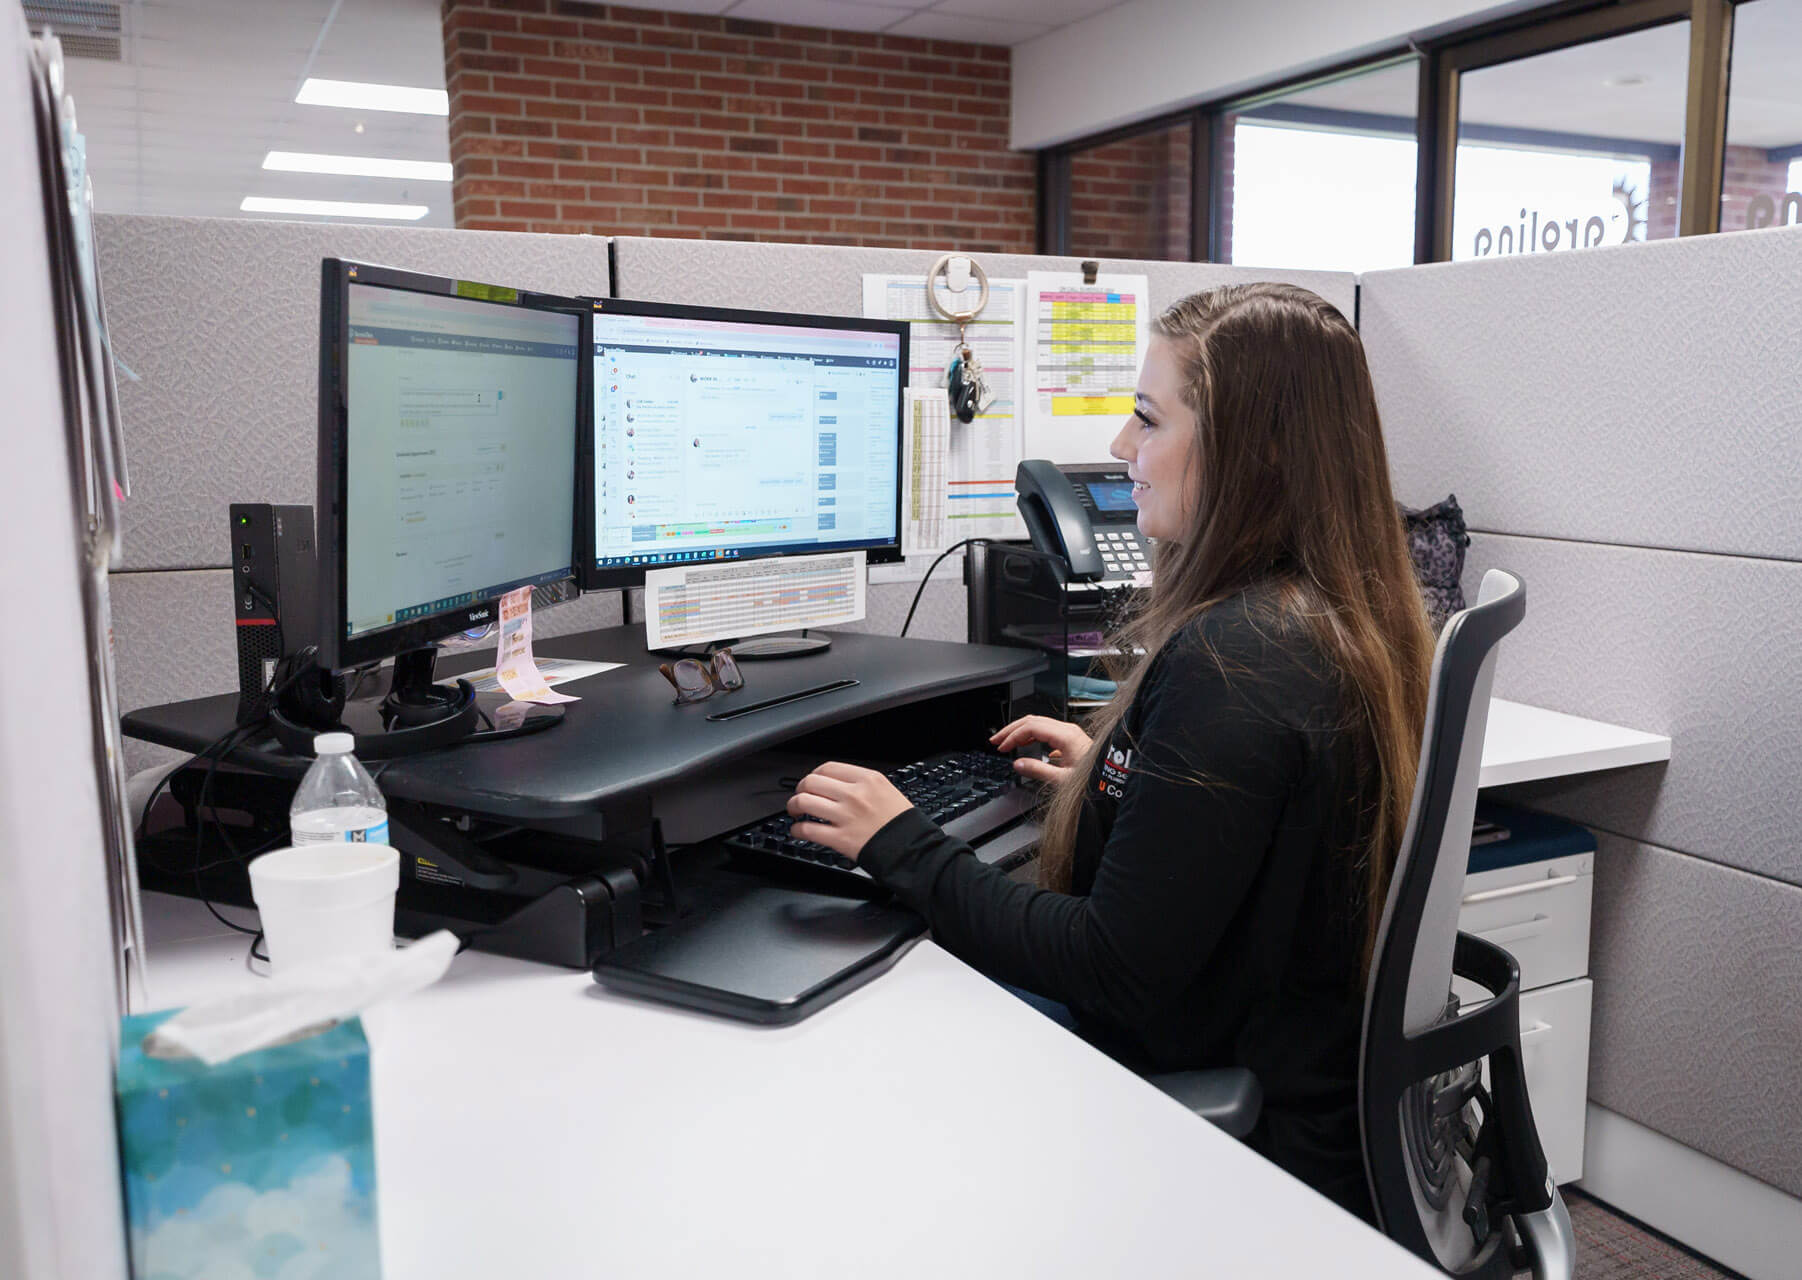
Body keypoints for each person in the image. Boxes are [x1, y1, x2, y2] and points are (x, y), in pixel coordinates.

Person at [784, 283, 1435, 1221]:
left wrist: (904, 841)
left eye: (1147, 419)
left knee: (872, 1036)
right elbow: (1241, 836)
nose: (1124, 450)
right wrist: (1116, 772)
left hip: (1232, 1120)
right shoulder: (1321, 621)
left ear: (1259, 451)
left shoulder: (1240, 658)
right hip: (1280, 1066)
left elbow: (1111, 967)